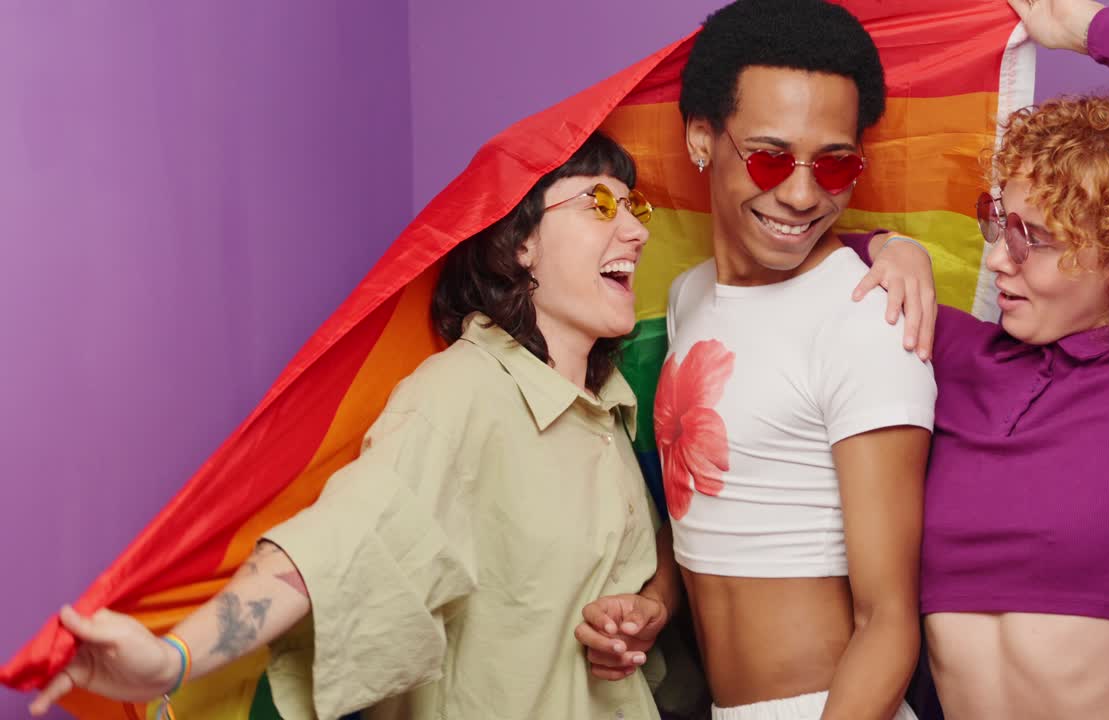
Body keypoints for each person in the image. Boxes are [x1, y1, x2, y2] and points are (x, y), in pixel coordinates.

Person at [28, 131, 683, 720]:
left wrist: (649, 608)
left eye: (636, 208)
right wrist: (174, 659)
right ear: (521, 242)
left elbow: (657, 556)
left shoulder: (608, 410)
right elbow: (341, 541)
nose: (636, 231)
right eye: (600, 204)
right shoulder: (462, 394)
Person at [845, 0, 1109, 717]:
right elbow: (803, 251)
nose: (997, 262)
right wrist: (895, 246)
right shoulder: (953, 353)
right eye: (998, 225)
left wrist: (1083, 28)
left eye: (1034, 239)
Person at [577, 2, 938, 719]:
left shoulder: (867, 318)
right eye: (770, 156)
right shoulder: (687, 298)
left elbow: (888, 621)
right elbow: (718, 508)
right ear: (703, 138)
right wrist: (657, 602)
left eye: (834, 163)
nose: (802, 194)